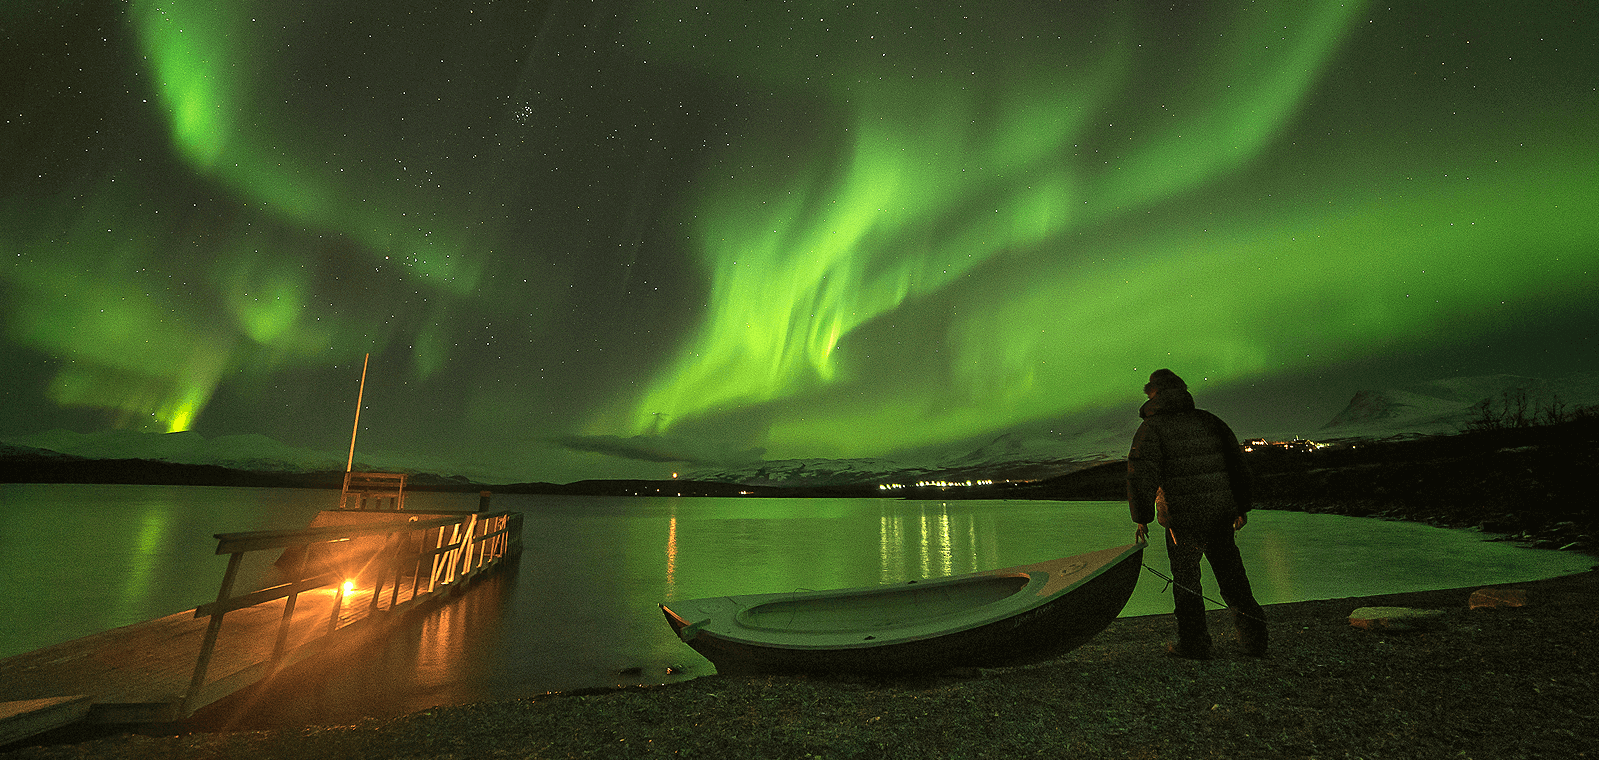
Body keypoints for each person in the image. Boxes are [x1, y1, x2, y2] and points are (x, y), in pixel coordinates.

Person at [1127, 369, 1267, 659]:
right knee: (1233, 577)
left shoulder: (1152, 429)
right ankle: (1256, 640)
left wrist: (1141, 517)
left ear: (1154, 393)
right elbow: (1237, 467)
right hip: (1220, 514)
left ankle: (1195, 644)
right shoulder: (1210, 421)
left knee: (1187, 582)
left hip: (1182, 519)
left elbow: (1141, 475)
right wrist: (1241, 507)